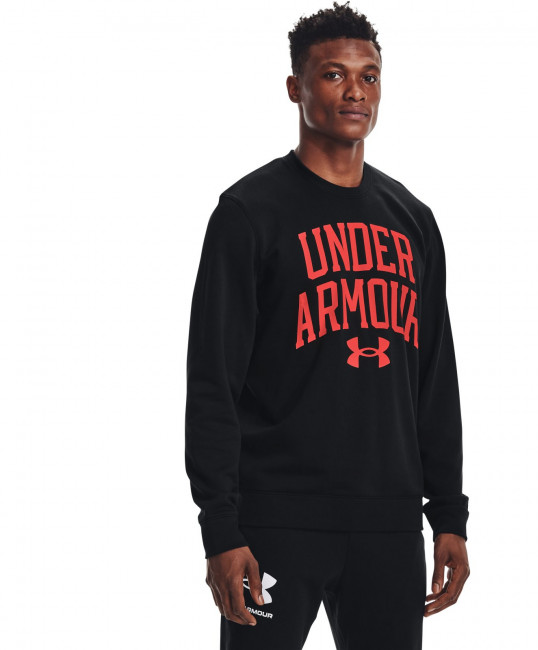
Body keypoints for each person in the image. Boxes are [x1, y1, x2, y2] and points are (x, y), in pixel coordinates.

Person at [185, 2, 470, 648]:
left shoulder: (413, 220)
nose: (355, 92)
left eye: (369, 77)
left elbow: (434, 380)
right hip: (275, 520)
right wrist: (220, 530)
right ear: (296, 88)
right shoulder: (248, 213)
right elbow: (212, 384)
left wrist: (448, 514)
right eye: (334, 74)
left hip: (389, 525)